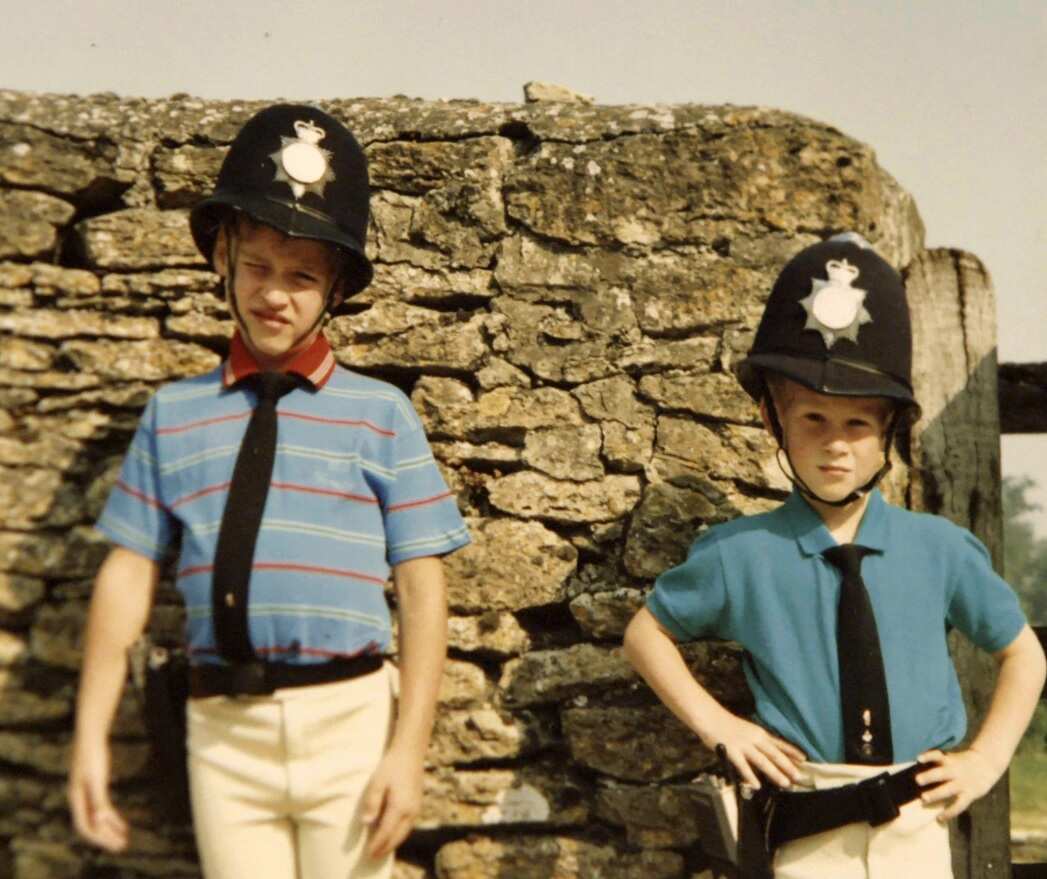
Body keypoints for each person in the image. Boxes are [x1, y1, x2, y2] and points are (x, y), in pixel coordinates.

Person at [68, 104, 470, 879]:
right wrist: (89, 735)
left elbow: (423, 589)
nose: (274, 294)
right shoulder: (174, 414)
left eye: (302, 276)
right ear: (221, 256)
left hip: (346, 722)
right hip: (222, 733)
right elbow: (127, 575)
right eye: (255, 266)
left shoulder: (380, 414)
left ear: (337, 288)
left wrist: (407, 751)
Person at [623, 233, 1046, 878]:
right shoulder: (740, 555)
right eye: (812, 420)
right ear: (773, 421)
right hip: (806, 829)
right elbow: (645, 632)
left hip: (917, 827)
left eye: (857, 425)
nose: (835, 446)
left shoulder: (940, 550)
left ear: (890, 434)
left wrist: (985, 759)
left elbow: (1024, 653)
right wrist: (720, 726)